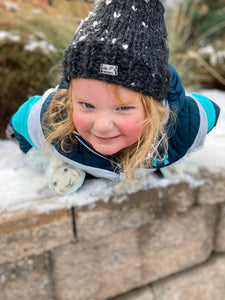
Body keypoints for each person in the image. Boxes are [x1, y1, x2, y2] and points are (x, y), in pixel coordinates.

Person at [7, 0, 220, 194]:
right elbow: (19, 123)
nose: (102, 126)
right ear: (70, 98)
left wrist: (178, 155)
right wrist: (42, 158)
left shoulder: (184, 125)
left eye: (123, 108)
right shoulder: (53, 116)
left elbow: (210, 111)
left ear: (155, 106)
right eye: (87, 105)